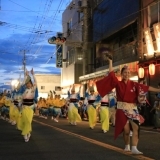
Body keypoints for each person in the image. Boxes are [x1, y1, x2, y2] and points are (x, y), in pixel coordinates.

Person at [96, 53, 160, 155]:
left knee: (136, 127)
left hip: (133, 108)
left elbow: (146, 88)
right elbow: (111, 74)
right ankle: (127, 146)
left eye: (128, 72)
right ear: (122, 74)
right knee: (126, 130)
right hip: (122, 109)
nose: (127, 74)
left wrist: (158, 89)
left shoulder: (134, 84)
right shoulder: (118, 84)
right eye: (125, 72)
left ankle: (134, 147)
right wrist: (110, 61)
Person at [20, 68, 38, 142]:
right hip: (24, 108)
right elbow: (22, 84)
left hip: (30, 108)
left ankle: (26, 133)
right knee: (25, 121)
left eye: (29, 83)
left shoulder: (33, 89)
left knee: (29, 121)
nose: (28, 85)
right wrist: (26, 75)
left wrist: (33, 74)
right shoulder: (24, 90)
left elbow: (36, 82)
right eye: (27, 84)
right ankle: (26, 134)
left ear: (31, 84)